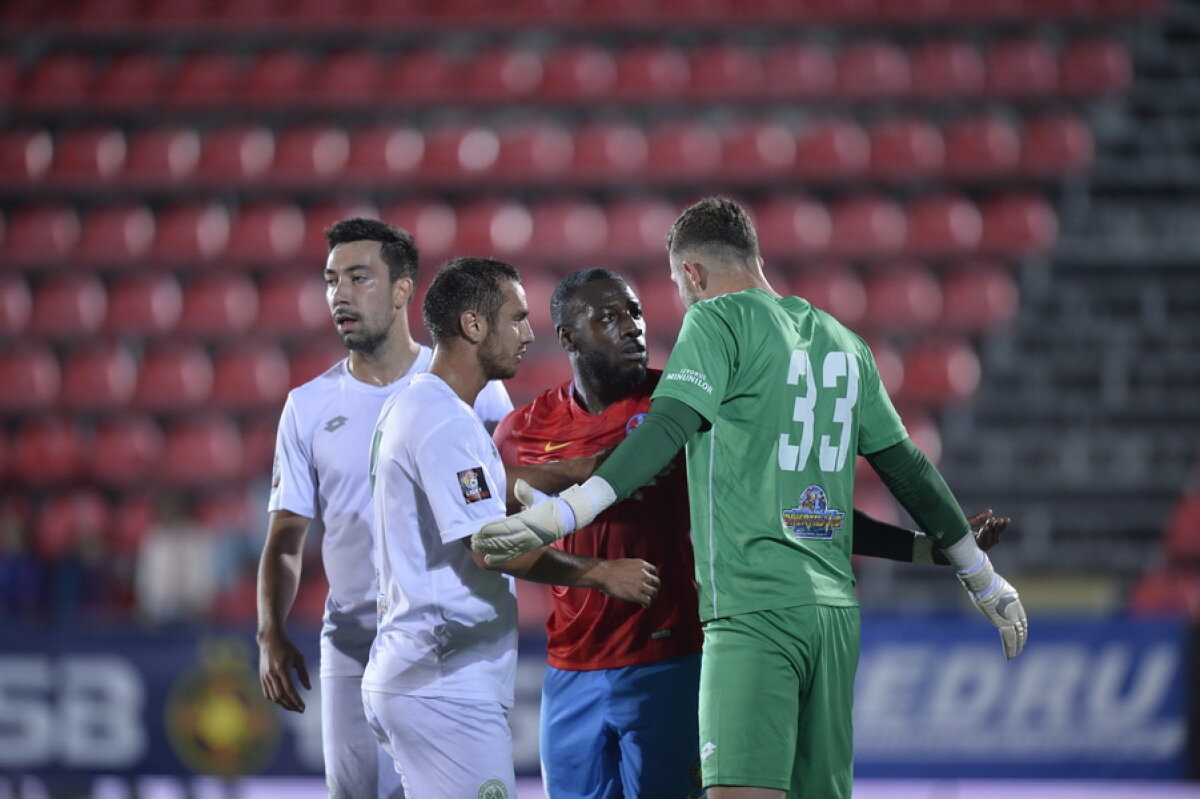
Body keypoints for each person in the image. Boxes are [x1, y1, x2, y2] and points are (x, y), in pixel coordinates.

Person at [473, 198, 1028, 799]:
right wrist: (972, 568)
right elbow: (902, 472)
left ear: (691, 274)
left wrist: (562, 511)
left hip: (744, 616)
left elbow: (662, 432)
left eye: (652, 301)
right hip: (828, 614)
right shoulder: (844, 342)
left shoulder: (714, 329)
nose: (638, 325)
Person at [363, 256, 660, 798]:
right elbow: (492, 548)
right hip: (444, 679)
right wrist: (601, 573)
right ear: (474, 325)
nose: (527, 334)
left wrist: (580, 469)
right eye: (516, 318)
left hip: (418, 671)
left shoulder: (422, 404)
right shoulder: (445, 421)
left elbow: (481, 486)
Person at [255, 218, 514, 799]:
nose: (339, 295)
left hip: (448, 642)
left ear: (402, 290)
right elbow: (287, 536)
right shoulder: (307, 407)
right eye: (331, 280)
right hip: (354, 639)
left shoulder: (471, 387)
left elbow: (510, 491)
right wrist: (270, 631)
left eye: (358, 277)